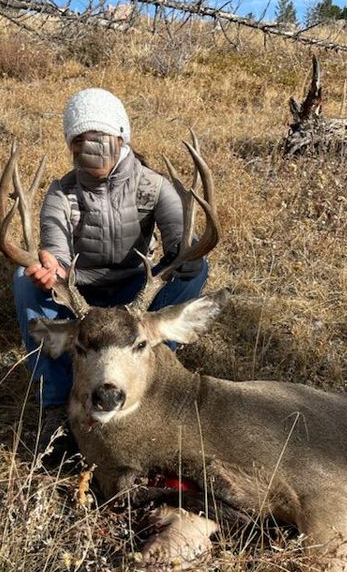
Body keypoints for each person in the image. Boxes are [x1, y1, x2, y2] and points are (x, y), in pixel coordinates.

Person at [12, 87, 210, 428]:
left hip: (136, 294)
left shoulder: (153, 186)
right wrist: (53, 271)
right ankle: (57, 401)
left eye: (99, 137)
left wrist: (185, 252)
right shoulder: (62, 193)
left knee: (195, 269)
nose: (92, 148)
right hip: (80, 298)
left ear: (120, 136)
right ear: (72, 146)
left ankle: (146, 367)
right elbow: (56, 249)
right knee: (24, 279)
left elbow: (178, 234)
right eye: (80, 140)